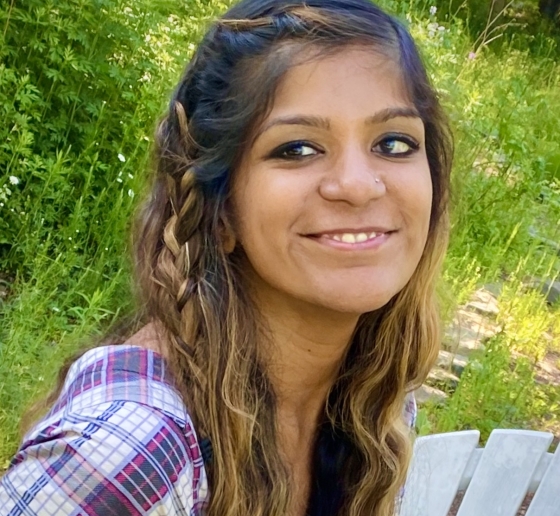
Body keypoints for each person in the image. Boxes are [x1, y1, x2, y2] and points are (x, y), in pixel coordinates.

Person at [0, 0, 452, 514]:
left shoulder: (376, 401)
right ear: (219, 208)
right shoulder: (132, 452)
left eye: (393, 143)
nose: (357, 185)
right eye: (297, 149)